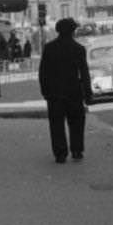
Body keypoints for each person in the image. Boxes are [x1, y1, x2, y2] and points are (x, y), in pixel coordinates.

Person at [38, 16, 92, 163]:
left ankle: (60, 153)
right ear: (72, 31)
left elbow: (43, 72)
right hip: (74, 92)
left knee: (56, 124)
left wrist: (45, 91)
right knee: (76, 123)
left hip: (54, 94)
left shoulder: (49, 48)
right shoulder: (79, 49)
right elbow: (84, 73)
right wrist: (88, 93)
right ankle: (76, 150)